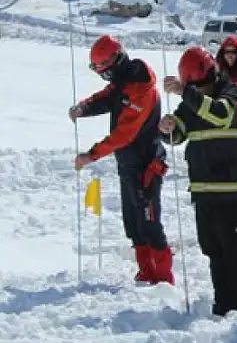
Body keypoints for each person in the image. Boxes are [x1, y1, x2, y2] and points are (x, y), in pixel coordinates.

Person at [69, 34, 174, 285]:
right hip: (128, 163)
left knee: (149, 222)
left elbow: (124, 134)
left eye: (105, 71)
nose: (105, 78)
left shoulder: (140, 88)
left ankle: (163, 278)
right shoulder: (123, 82)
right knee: (132, 221)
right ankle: (146, 272)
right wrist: (84, 108)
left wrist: (91, 155)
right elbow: (109, 96)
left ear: (115, 62)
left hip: (146, 163)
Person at [158, 46, 237, 316]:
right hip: (203, 192)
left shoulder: (231, 93)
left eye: (201, 86)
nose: (198, 91)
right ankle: (222, 306)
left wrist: (185, 93)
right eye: (193, 88)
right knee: (214, 252)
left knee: (235, 253)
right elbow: (179, 133)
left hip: (232, 191)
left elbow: (220, 115)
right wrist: (168, 128)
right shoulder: (193, 100)